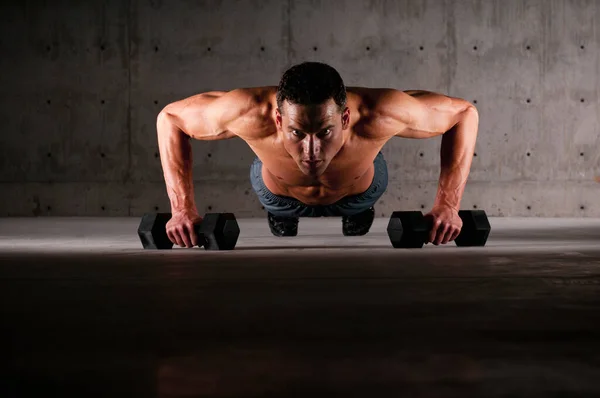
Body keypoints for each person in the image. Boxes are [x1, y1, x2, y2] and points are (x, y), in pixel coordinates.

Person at [156, 62, 479, 248]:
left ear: (345, 118)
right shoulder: (248, 112)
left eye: (324, 132)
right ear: (279, 120)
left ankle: (358, 212)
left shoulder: (380, 112)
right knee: (277, 188)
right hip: (278, 193)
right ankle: (282, 214)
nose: (311, 152)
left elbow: (464, 113)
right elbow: (170, 118)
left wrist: (447, 207)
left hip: (359, 192)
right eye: (297, 133)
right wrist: (181, 209)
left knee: (361, 193)